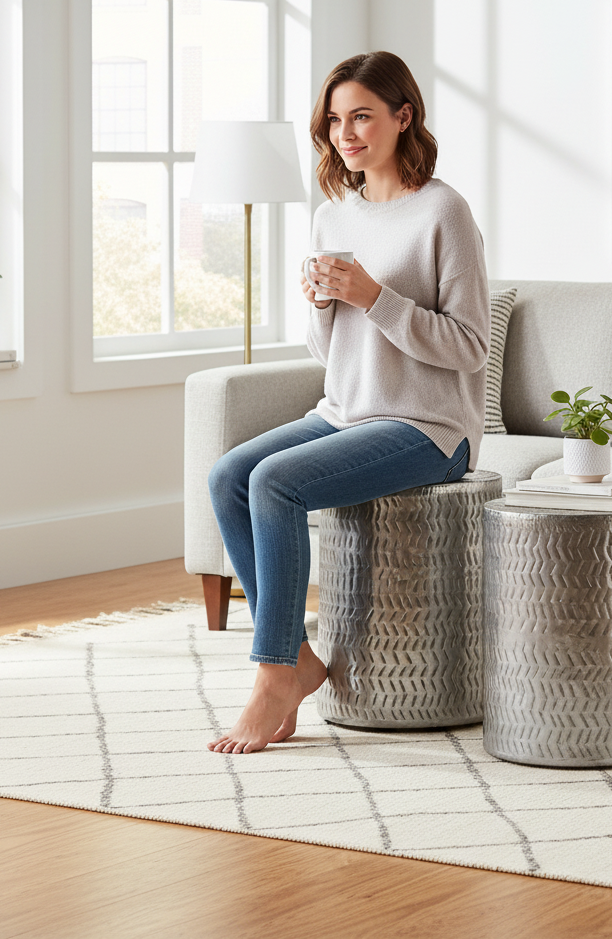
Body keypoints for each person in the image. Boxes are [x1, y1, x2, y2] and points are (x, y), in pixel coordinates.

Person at [206, 51, 491, 754]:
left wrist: (374, 297)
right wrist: (323, 303)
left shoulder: (444, 212)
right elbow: (324, 353)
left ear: (403, 116)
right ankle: (298, 659)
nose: (346, 133)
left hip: (427, 427)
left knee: (277, 482)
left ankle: (273, 674)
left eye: (362, 115)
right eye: (334, 119)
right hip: (344, 409)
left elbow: (469, 348)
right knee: (229, 478)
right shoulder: (333, 215)